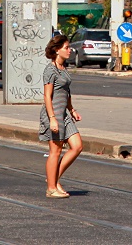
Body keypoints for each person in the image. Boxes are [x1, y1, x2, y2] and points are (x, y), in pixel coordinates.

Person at [39, 34, 82, 198]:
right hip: (54, 114)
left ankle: (54, 178)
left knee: (77, 146)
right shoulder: (50, 70)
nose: (69, 50)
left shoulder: (63, 68)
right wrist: (52, 118)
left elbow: (66, 92)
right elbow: (47, 96)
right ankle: (51, 188)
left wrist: (72, 110)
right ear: (57, 50)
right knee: (55, 151)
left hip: (64, 114)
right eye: (66, 48)